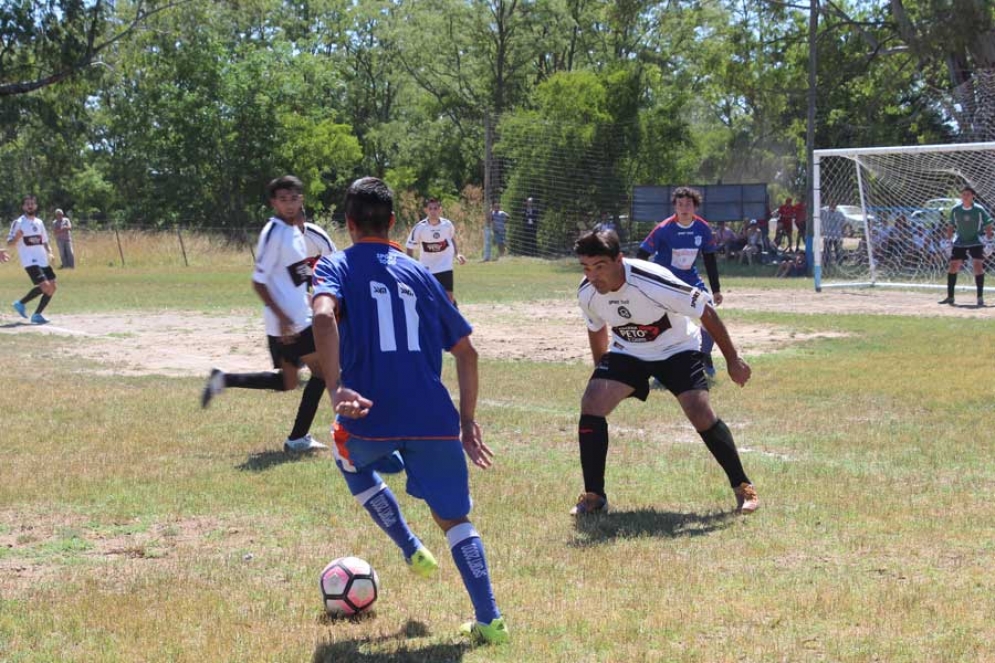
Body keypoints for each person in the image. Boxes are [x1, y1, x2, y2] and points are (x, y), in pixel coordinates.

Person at [311, 177, 508, 645]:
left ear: (349, 223)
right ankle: (490, 621)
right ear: (395, 223)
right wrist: (466, 422)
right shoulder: (419, 272)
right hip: (433, 420)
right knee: (457, 522)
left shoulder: (335, 263)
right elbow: (468, 353)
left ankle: (408, 546)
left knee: (346, 457)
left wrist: (336, 388)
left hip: (367, 417)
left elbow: (322, 316)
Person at [572, 229, 758, 516]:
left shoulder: (652, 281)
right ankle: (594, 496)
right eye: (586, 268)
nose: (593, 276)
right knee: (592, 403)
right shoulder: (587, 292)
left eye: (600, 267)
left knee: (699, 411)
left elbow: (705, 310)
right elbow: (596, 327)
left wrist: (733, 359)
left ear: (619, 259)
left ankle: (743, 486)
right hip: (628, 351)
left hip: (677, 349)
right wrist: (601, 372)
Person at [200, 175, 329, 453]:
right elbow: (258, 281)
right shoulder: (273, 233)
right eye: (283, 199)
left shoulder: (295, 231)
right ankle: (300, 439)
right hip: (288, 322)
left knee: (288, 382)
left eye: (294, 198)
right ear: (273, 203)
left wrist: (308, 296)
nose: (290, 204)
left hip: (296, 316)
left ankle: (224, 379)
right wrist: (283, 318)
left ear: (301, 200)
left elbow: (294, 274)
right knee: (326, 372)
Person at [636, 186, 724, 378]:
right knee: (662, 323)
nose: (684, 208)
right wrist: (642, 283)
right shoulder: (663, 229)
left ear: (695, 207)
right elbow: (642, 255)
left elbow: (709, 258)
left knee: (709, 313)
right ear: (674, 207)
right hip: (665, 280)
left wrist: (716, 289)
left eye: (689, 204)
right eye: (680, 204)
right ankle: (660, 370)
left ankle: (705, 354)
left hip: (690, 277)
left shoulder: (703, 228)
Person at [937, 186, 993, 307]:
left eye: (967, 194)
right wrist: (948, 241)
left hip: (975, 240)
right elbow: (951, 226)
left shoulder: (979, 209)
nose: (965, 196)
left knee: (978, 266)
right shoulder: (955, 209)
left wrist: (989, 241)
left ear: (973, 196)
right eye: (963, 194)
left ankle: (980, 297)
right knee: (953, 266)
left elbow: (988, 224)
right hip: (960, 240)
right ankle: (950, 297)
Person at [405, 198, 466, 304]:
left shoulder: (447, 225)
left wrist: (457, 254)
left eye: (435, 208)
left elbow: (451, 238)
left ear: (440, 210)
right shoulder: (420, 227)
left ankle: (449, 316)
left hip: (445, 265)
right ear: (426, 210)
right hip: (427, 267)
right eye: (430, 209)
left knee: (448, 297)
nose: (433, 211)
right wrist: (412, 265)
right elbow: (410, 246)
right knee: (429, 296)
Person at [7, 195, 57, 325]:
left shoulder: (39, 222)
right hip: (30, 260)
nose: (30, 206)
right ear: (23, 207)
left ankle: (37, 314)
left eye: (32, 203)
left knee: (52, 287)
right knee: (45, 286)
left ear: (36, 206)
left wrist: (50, 252)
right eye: (27, 204)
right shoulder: (18, 222)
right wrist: (17, 237)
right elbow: (9, 243)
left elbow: (45, 241)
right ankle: (20, 303)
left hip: (42, 259)